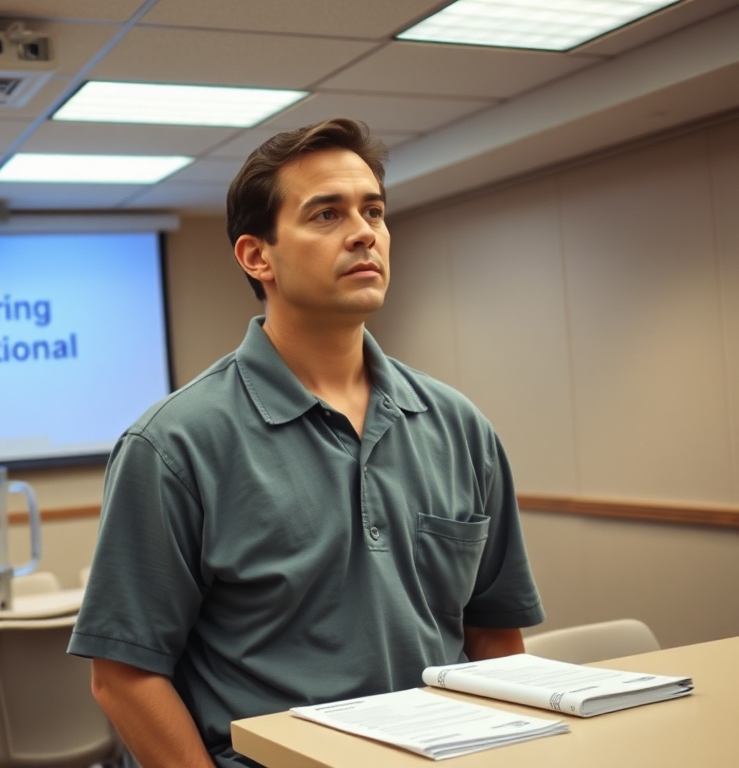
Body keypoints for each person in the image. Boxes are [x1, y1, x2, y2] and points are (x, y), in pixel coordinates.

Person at [68, 118, 545, 767]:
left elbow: (493, 636)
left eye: (373, 211)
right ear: (256, 256)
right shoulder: (174, 445)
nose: (363, 233)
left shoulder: (460, 426)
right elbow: (123, 676)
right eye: (326, 215)